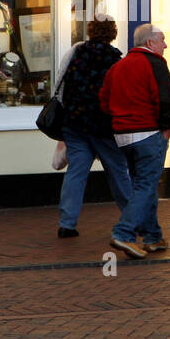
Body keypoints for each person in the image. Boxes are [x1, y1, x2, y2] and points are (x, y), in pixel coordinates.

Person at [99, 24, 170, 258]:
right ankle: (123, 234)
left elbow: (104, 101)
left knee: (143, 186)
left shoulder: (117, 67)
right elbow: (165, 99)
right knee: (146, 187)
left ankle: (153, 236)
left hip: (123, 137)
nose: (165, 45)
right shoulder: (155, 63)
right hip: (148, 134)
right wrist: (166, 130)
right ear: (149, 43)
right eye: (162, 40)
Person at [55, 17, 131, 238]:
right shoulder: (115, 58)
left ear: (90, 31)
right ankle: (133, 218)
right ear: (112, 33)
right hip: (103, 126)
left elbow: (60, 83)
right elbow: (121, 95)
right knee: (118, 173)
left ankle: (67, 223)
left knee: (76, 173)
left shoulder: (76, 52)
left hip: (75, 123)